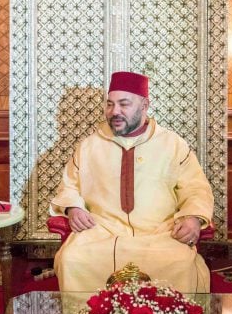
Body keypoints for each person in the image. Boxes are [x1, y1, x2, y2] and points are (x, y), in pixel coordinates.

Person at [50, 71, 214, 293]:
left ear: (144, 105)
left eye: (124, 104)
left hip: (160, 232)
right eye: (110, 105)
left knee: (180, 263)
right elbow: (69, 186)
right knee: (71, 259)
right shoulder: (89, 146)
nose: (114, 111)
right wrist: (72, 208)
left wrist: (194, 217)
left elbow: (196, 188)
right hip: (102, 230)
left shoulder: (172, 144)